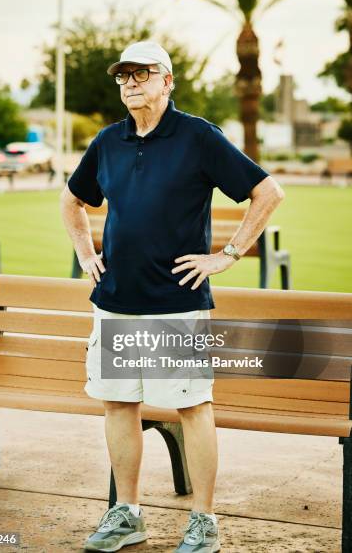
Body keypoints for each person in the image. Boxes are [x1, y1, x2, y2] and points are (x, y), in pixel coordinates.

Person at [61, 40, 285, 552]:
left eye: (142, 74)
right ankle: (127, 514)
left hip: (177, 305)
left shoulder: (198, 137)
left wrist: (226, 254)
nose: (130, 83)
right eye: (123, 77)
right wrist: (84, 251)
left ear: (167, 81)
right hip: (116, 301)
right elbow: (73, 199)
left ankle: (203, 522)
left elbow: (268, 192)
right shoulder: (108, 141)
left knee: (193, 408)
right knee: (119, 404)